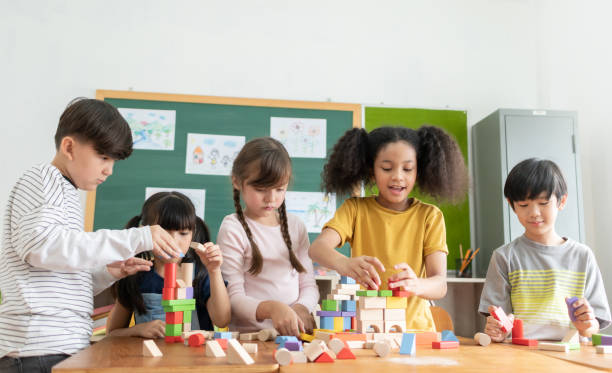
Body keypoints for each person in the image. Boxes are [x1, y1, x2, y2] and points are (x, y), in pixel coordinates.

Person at [0, 98, 182, 373]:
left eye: (113, 161)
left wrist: (107, 272)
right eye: (104, 157)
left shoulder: (66, 193)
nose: (109, 169)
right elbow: (41, 247)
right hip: (37, 349)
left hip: (58, 347)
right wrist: (137, 237)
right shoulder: (42, 179)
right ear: (69, 147)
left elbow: (58, 273)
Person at [309, 126, 468, 331]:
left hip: (414, 332)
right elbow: (317, 249)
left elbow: (439, 284)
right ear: (371, 172)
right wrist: (344, 263)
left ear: (419, 171)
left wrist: (416, 284)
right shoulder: (355, 209)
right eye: (386, 168)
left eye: (407, 169)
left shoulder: (430, 216)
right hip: (367, 330)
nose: (397, 177)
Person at [480, 158, 611, 341]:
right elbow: (498, 321)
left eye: (543, 203)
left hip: (570, 357)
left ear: (562, 201)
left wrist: (588, 325)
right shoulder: (504, 257)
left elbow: (594, 324)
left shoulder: (583, 256)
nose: (534, 212)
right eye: (524, 205)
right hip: (521, 357)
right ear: (512, 205)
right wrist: (498, 329)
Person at [218, 137, 318, 336]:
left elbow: (309, 285)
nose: (271, 198)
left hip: (293, 337)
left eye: (280, 189)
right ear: (237, 181)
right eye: (261, 189)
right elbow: (234, 299)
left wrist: (301, 307)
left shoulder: (296, 226)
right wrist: (272, 308)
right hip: (250, 339)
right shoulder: (233, 228)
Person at [106, 192, 230, 337]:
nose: (173, 241)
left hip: (196, 357)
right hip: (147, 357)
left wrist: (214, 271)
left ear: (192, 234)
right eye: (164, 232)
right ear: (146, 232)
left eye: (183, 233)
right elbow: (112, 333)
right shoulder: (136, 274)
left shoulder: (201, 274)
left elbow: (222, 321)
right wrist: (138, 330)